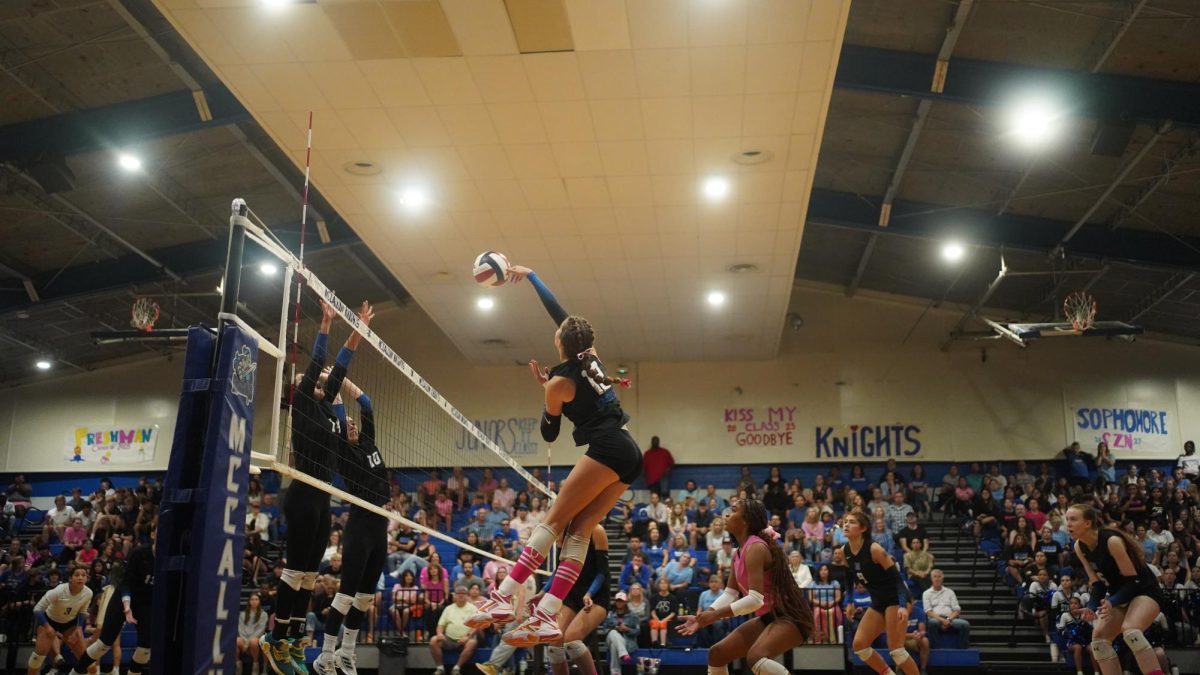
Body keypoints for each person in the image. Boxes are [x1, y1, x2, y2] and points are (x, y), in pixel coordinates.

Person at [468, 264, 642, 648]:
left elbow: (549, 432)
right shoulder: (588, 355)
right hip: (631, 451)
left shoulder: (559, 382)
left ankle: (503, 596)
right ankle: (546, 613)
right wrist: (531, 277)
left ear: (561, 340)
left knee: (552, 522)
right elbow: (560, 312)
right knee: (578, 531)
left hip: (609, 447)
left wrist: (546, 393)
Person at [266, 299, 372, 675]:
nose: (313, 382)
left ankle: (295, 643)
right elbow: (323, 366)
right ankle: (276, 640)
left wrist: (359, 330)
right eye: (307, 381)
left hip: (322, 496)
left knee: (310, 576)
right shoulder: (305, 406)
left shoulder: (328, 411)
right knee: (295, 573)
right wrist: (327, 323)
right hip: (302, 496)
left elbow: (340, 373)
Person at [677, 498, 813, 675]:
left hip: (789, 617)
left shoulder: (756, 547)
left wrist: (715, 615)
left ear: (745, 521)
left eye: (733, 510)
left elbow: (755, 600)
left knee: (755, 657)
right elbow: (729, 593)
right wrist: (705, 615)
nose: (727, 514)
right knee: (716, 654)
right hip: (768, 618)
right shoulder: (738, 552)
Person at [314, 372, 390, 675]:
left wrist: (343, 379)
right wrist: (332, 379)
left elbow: (366, 403)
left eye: (354, 424)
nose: (353, 425)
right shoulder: (343, 452)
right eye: (349, 425)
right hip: (359, 525)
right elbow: (339, 407)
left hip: (380, 525)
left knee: (366, 596)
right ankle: (325, 655)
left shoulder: (369, 442)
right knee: (346, 594)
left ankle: (347, 653)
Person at [1067, 503, 1167, 675]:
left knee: (1131, 630)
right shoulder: (1079, 546)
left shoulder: (1111, 541)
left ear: (1088, 523)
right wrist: (1091, 607)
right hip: (1119, 595)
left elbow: (1133, 580)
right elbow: (1097, 584)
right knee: (1098, 641)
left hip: (1144, 590)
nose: (1068, 524)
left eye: (1073, 519)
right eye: (1067, 519)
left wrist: (1111, 602)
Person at [842, 510, 918, 675]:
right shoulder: (844, 551)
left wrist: (903, 605)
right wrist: (849, 601)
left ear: (863, 528)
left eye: (852, 522)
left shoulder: (874, 549)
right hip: (878, 601)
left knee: (896, 650)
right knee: (860, 645)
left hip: (896, 599)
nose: (846, 524)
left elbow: (898, 578)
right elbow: (848, 576)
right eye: (845, 521)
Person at [69, 532, 155, 674]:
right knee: (104, 644)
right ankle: (75, 672)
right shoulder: (140, 553)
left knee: (145, 647)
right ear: (152, 535)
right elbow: (126, 583)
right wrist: (127, 607)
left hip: (146, 602)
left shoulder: (168, 558)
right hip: (123, 598)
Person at [28, 565, 92, 675]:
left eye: (83, 575)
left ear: (87, 578)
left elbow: (82, 611)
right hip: (49, 621)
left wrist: (79, 627)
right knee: (38, 656)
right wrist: (47, 627)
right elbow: (37, 609)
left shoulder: (88, 593)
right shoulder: (59, 590)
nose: (80, 578)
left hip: (70, 624)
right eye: (77, 575)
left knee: (85, 658)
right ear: (70, 578)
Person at [430, 586, 479, 675]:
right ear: (455, 596)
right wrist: (440, 633)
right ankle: (440, 668)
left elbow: (476, 626)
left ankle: (457, 668)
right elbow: (441, 625)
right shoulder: (448, 608)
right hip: (449, 639)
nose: (460, 595)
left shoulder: (473, 608)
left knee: (472, 642)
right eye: (458, 594)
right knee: (434, 640)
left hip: (465, 640)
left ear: (467, 596)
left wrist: (467, 636)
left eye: (463, 594)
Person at [922, 570, 970, 647]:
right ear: (931, 579)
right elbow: (928, 612)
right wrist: (943, 620)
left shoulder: (950, 592)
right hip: (935, 619)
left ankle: (963, 649)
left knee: (965, 624)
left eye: (939, 576)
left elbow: (956, 610)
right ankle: (935, 648)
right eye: (935, 576)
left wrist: (948, 620)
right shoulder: (926, 593)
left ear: (942, 578)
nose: (937, 579)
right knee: (932, 623)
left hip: (951, 619)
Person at [600, 592, 640, 670]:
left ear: (625, 602)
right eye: (618, 601)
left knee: (614, 645)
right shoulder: (610, 614)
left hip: (627, 641)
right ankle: (623, 654)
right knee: (613, 632)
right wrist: (614, 628)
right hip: (610, 638)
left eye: (621, 601)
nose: (619, 603)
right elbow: (604, 630)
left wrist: (627, 629)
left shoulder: (633, 615)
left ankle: (615, 672)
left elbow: (637, 632)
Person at [238, 593, 269, 674]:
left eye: (256, 599)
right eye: (252, 599)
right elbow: (240, 629)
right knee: (237, 640)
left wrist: (247, 643)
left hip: (256, 637)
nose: (254, 601)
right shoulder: (242, 614)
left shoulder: (264, 614)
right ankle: (238, 667)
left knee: (253, 641)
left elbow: (260, 630)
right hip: (244, 637)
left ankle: (255, 665)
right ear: (249, 601)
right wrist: (245, 641)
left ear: (259, 601)